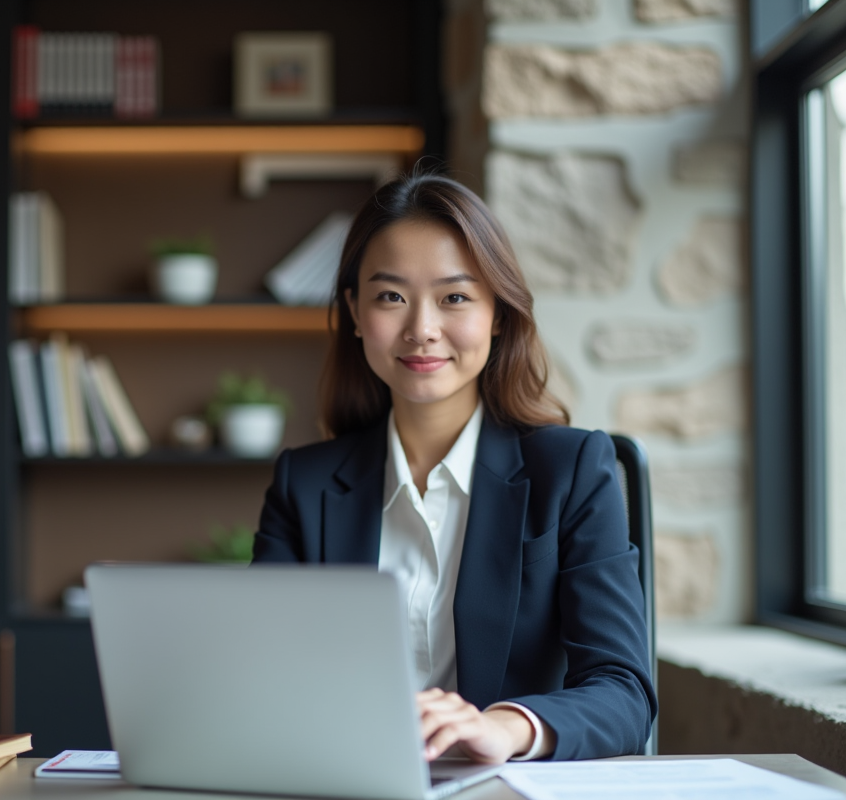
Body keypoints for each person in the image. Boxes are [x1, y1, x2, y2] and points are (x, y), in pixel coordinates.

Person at [251, 171, 656, 764]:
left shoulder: (570, 471)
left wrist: (506, 728)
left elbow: (625, 693)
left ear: (497, 314)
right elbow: (259, 676)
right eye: (391, 296)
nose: (422, 329)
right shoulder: (304, 484)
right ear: (356, 313)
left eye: (455, 297)